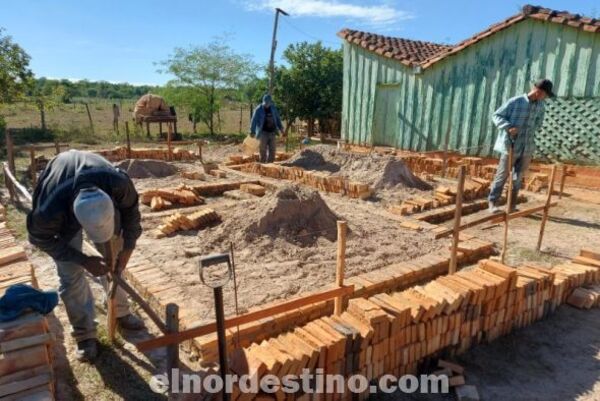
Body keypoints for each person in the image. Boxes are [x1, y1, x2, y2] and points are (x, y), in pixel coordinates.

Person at [27, 150, 144, 362]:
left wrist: (128, 247)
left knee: (115, 260)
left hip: (95, 188)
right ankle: (85, 334)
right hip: (62, 208)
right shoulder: (49, 209)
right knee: (70, 274)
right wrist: (83, 260)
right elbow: (39, 239)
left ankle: (120, 312)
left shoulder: (118, 183)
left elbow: (131, 213)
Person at [488, 79, 554, 213]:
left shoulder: (540, 106)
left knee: (517, 178)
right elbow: (496, 115)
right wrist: (508, 127)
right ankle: (493, 203)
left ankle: (511, 206)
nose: (545, 97)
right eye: (545, 94)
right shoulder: (516, 101)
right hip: (511, 146)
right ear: (538, 91)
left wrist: (532, 129)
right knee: (503, 175)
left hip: (527, 147)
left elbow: (539, 122)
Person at [250, 94, 284, 163]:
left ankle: (270, 165)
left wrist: (281, 129)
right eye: (266, 103)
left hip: (272, 132)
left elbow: (277, 119)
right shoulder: (258, 109)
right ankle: (263, 165)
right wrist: (252, 131)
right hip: (263, 133)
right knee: (263, 150)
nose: (267, 105)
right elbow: (254, 120)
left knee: (272, 150)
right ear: (263, 102)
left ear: (271, 102)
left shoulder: (273, 108)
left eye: (268, 103)